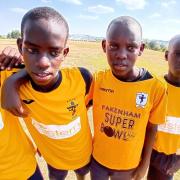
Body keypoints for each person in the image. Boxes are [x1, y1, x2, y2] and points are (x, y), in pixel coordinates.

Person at [1, 6, 92, 180]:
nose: (43, 62)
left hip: (83, 152)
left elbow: (87, 104)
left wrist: (12, 81)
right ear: (21, 46)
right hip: (52, 157)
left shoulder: (83, 78)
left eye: (54, 52)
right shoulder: (9, 78)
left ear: (64, 52)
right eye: (32, 50)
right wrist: (11, 81)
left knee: (82, 174)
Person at [86, 16, 167, 180]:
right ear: (104, 46)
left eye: (131, 47)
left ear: (141, 48)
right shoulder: (98, 80)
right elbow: (76, 109)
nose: (121, 55)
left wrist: (145, 163)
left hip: (128, 166)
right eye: (113, 46)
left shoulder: (155, 87)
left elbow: (152, 128)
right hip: (98, 160)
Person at [147, 35, 180, 180]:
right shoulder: (154, 85)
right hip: (144, 148)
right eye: (178, 54)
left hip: (169, 157)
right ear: (167, 56)